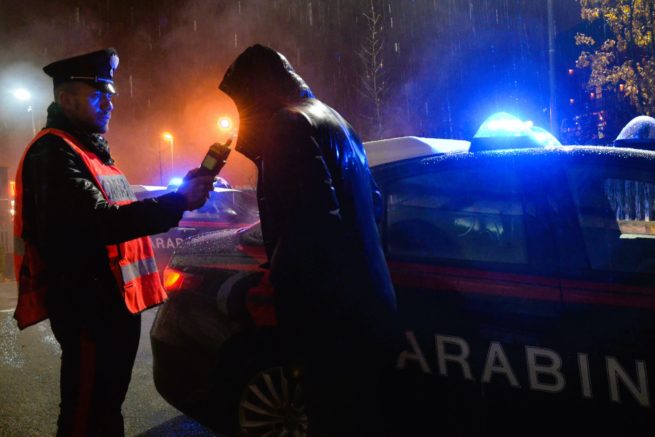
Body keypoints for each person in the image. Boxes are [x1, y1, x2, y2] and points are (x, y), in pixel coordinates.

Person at [13, 48, 214, 437]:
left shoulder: (89, 150)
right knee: (85, 414)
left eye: (111, 96)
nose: (108, 103)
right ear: (66, 98)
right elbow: (94, 223)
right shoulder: (54, 152)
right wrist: (176, 202)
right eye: (96, 94)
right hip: (88, 308)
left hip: (113, 306)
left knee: (104, 409)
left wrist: (180, 194)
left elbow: (119, 214)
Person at [219, 44, 399, 436]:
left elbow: (311, 224)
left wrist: (272, 281)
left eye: (241, 100)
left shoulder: (288, 124)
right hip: (370, 306)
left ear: (257, 90)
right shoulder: (335, 120)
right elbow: (373, 203)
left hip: (330, 318)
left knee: (333, 417)